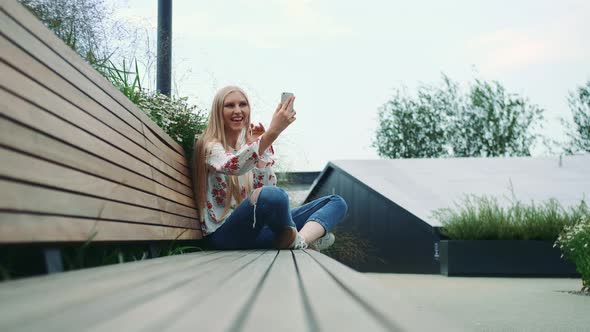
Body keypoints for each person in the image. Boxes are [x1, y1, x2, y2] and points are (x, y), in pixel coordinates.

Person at [192, 86, 348, 250]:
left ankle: (300, 240)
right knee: (275, 196)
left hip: (252, 232)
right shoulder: (208, 145)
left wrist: (260, 150)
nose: (237, 110)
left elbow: (264, 187)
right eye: (229, 105)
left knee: (336, 202)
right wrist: (273, 132)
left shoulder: (245, 149)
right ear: (218, 111)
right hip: (222, 235)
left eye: (242, 104)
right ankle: (304, 237)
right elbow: (233, 166)